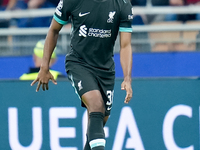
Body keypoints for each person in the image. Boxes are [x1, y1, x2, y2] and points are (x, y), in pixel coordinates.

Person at [31, 0, 133, 149]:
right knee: (96, 105)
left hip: (105, 70)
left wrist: (127, 78)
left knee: (97, 123)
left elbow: (125, 45)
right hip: (78, 63)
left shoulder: (122, 4)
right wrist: (44, 67)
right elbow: (53, 30)